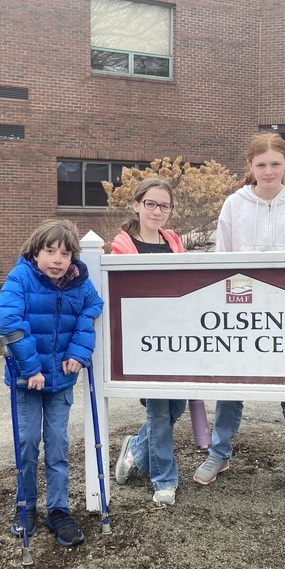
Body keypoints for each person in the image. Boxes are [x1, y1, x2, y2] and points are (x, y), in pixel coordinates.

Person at [195, 132, 285, 496]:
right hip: (242, 313)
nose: (268, 171)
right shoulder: (234, 205)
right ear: (250, 167)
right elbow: (222, 260)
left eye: (275, 163)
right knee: (229, 386)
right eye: (260, 165)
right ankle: (219, 453)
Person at [0, 219, 104, 547]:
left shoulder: (79, 283)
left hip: (61, 381)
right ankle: (25, 504)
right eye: (50, 251)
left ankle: (59, 510)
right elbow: (7, 319)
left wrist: (79, 351)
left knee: (58, 445)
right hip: (28, 381)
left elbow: (92, 307)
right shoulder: (21, 277)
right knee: (27, 443)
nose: (57, 259)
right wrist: (32, 369)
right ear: (36, 251)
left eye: (65, 253)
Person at [110, 177, 187, 506]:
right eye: (151, 204)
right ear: (137, 205)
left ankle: (135, 449)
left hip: (177, 338)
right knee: (158, 412)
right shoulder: (121, 246)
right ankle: (164, 480)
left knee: (175, 410)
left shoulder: (174, 242)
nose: (158, 211)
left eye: (164, 205)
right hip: (144, 343)